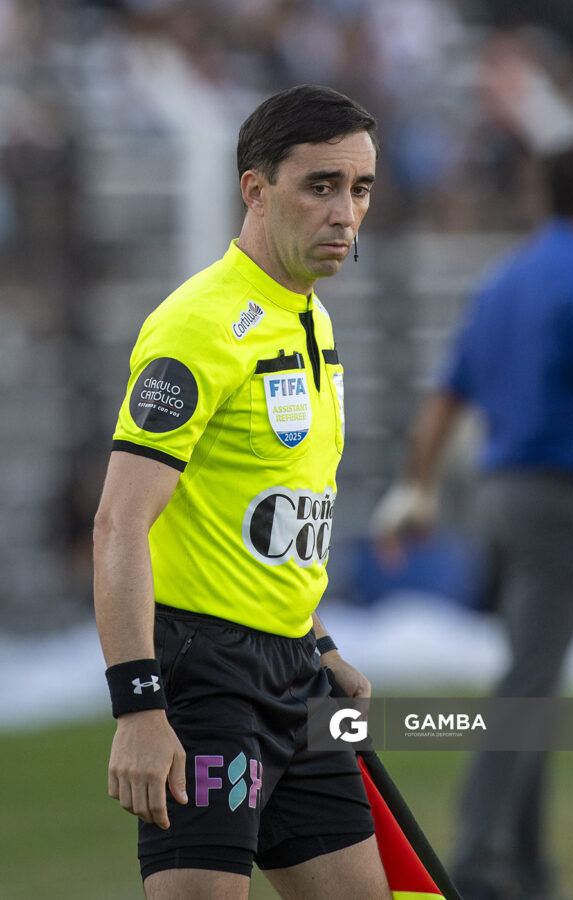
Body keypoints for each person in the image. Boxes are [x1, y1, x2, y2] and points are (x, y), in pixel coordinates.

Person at [93, 84, 391, 900]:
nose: (345, 212)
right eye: (320, 185)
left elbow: (259, 516)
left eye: (359, 188)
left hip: (294, 675)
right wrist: (139, 709)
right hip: (205, 681)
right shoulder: (196, 327)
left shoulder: (311, 318)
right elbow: (120, 523)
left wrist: (319, 643)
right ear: (256, 191)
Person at [371, 140, 573, 900]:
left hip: (499, 494)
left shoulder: (507, 278)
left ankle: (528, 870)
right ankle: (478, 863)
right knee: (528, 689)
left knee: (533, 681)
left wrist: (416, 487)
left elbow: (445, 395)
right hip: (558, 500)